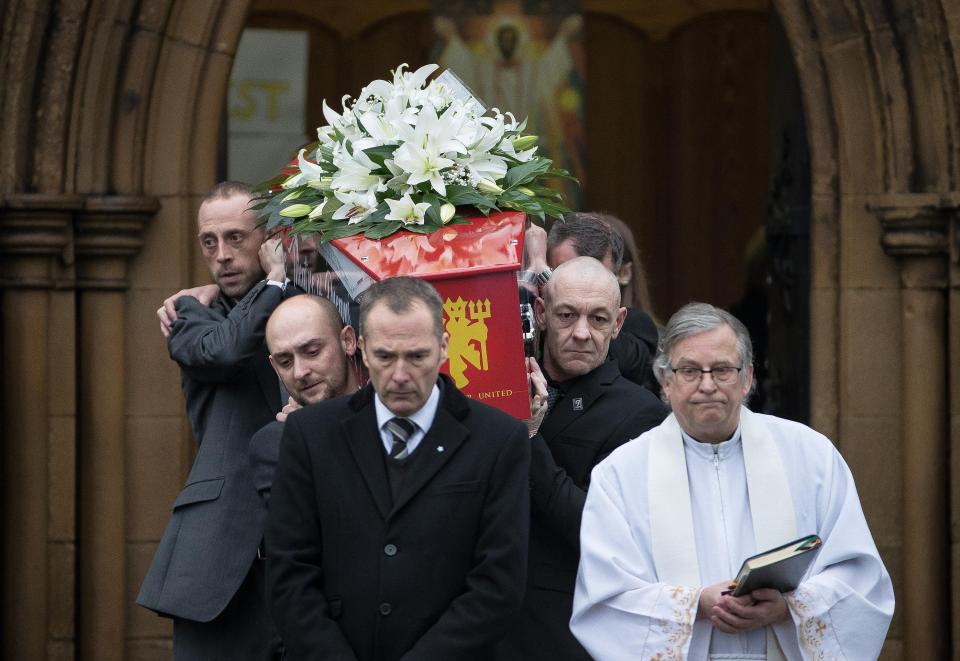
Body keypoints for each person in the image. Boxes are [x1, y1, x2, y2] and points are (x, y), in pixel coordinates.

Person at [570, 303, 895, 660]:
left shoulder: (811, 456)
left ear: (748, 377)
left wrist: (789, 607)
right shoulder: (620, 475)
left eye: (722, 369)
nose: (707, 385)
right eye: (690, 370)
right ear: (666, 381)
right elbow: (605, 599)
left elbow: (860, 579)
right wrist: (693, 605)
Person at [267, 276, 531, 661]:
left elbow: (498, 584)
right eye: (387, 356)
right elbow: (289, 572)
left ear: (443, 348)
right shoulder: (311, 436)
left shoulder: (497, 439)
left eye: (417, 356)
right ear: (362, 349)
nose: (401, 375)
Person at [137, 181, 292, 661]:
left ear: (269, 240)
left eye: (236, 238)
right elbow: (224, 350)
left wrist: (282, 283)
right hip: (221, 560)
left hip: (305, 556)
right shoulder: (188, 313)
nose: (222, 254)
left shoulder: (309, 308)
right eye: (209, 242)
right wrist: (273, 283)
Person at [496, 257, 667, 660]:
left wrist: (529, 437)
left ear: (620, 323)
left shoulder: (639, 413)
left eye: (598, 319)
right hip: (482, 623)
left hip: (563, 631)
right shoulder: (499, 387)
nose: (581, 333)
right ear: (540, 314)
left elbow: (596, 528)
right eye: (567, 315)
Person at [526, 212, 661, 393]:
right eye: (563, 271)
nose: (579, 282)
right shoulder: (534, 311)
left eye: (592, 271)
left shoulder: (635, 327)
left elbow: (628, 364)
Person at [249, 294, 359, 504]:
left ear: (348, 341)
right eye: (285, 361)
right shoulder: (277, 442)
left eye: (312, 352)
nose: (300, 372)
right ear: (274, 367)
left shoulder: (389, 416)